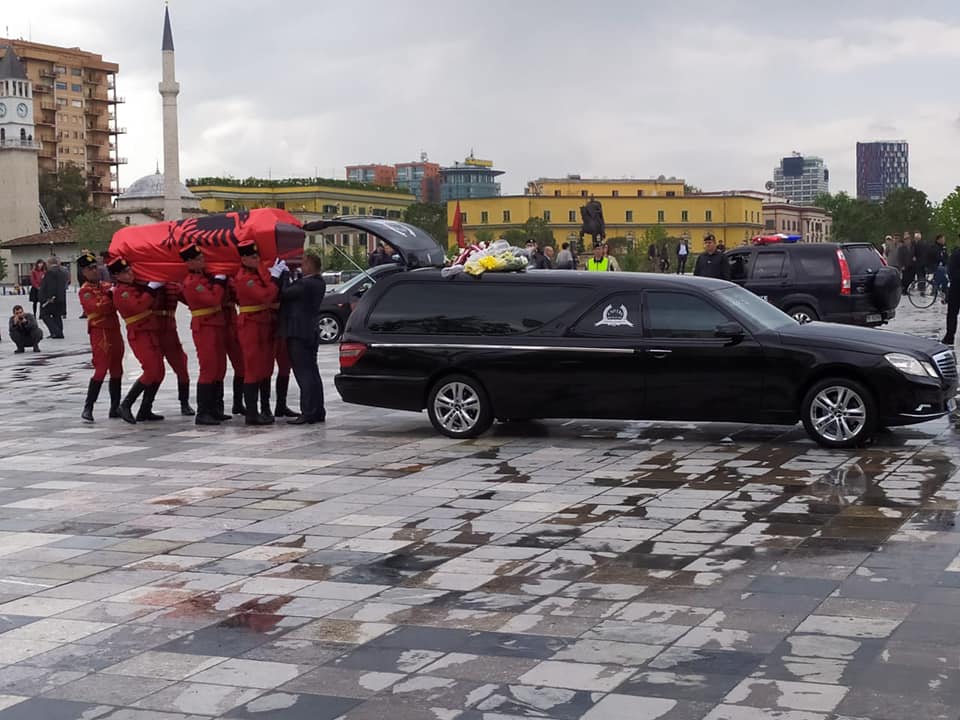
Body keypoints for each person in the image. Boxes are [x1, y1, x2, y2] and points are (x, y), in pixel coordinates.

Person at [234, 240, 284, 426]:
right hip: (251, 326)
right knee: (253, 369)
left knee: (266, 368)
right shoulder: (244, 278)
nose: (257, 260)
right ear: (244, 259)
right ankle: (252, 413)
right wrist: (275, 278)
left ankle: (265, 408)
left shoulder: (255, 274)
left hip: (263, 323)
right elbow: (266, 295)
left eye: (258, 257)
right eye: (253, 257)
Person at [111, 257, 166, 424]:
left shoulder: (132, 287)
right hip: (139, 334)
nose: (130, 274)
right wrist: (151, 289)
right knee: (151, 371)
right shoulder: (122, 291)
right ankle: (125, 405)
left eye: (129, 270)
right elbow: (139, 306)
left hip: (150, 331)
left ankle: (145, 409)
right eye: (125, 272)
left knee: (160, 372)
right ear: (117, 275)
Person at [180, 243, 230, 426]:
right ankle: (203, 412)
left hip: (216, 324)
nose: (203, 261)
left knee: (219, 367)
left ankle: (216, 409)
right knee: (208, 368)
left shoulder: (203, 278)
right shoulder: (192, 282)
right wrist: (219, 281)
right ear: (190, 262)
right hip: (204, 327)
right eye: (199, 259)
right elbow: (213, 299)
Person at [280, 251, 327, 424]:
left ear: (309, 265)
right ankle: (318, 410)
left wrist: (284, 276)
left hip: (298, 332)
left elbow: (284, 294)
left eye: (303, 263)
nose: (300, 266)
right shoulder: (318, 282)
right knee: (313, 373)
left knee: (304, 374)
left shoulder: (305, 284)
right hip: (310, 331)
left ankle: (307, 412)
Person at [77, 252, 123, 422]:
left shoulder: (106, 285)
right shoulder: (85, 291)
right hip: (100, 331)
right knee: (101, 368)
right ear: (84, 272)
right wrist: (111, 297)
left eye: (96, 267)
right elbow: (99, 307)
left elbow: (116, 300)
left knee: (117, 368)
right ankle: (88, 407)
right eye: (90, 268)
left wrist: (111, 296)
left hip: (114, 329)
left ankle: (115, 407)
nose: (95, 270)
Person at [155, 279, 195, 416]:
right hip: (152, 331)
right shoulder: (144, 284)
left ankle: (184, 403)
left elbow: (190, 300)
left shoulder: (173, 285)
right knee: (154, 371)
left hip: (170, 332)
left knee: (181, 366)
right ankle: (145, 406)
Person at [38, 257, 68, 339]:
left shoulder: (50, 272)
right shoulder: (63, 272)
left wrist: (49, 297)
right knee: (57, 315)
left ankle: (56, 332)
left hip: (51, 299)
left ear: (49, 263)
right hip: (60, 297)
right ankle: (59, 332)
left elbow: (51, 286)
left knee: (44, 315)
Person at [942, 239, 960, 345]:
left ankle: (949, 336)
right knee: (952, 313)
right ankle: (949, 336)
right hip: (956, 287)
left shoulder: (956, 253)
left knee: (952, 313)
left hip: (956, 287)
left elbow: (950, 271)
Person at [933, 234, 950, 299]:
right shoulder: (935, 247)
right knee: (943, 271)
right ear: (938, 240)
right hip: (934, 265)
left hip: (941, 265)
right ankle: (936, 287)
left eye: (944, 239)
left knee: (946, 274)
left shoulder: (944, 247)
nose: (943, 240)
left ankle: (944, 290)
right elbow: (938, 257)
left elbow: (946, 257)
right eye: (942, 239)